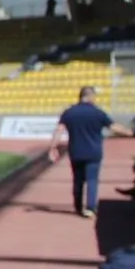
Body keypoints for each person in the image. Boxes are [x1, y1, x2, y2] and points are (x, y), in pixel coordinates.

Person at [50, 85, 116, 219]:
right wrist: (132, 133)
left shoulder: (69, 112)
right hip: (93, 152)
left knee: (77, 180)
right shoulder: (98, 112)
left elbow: (59, 130)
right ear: (91, 96)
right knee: (92, 180)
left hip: (76, 152)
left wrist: (53, 147)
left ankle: (78, 206)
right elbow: (113, 127)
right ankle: (91, 208)